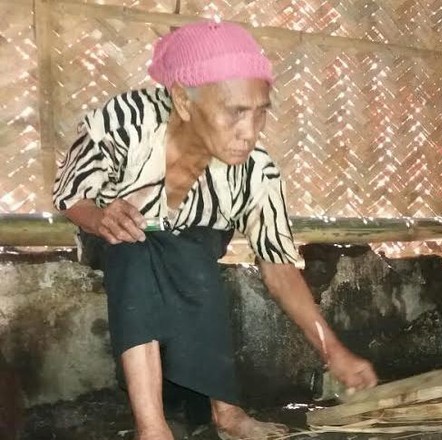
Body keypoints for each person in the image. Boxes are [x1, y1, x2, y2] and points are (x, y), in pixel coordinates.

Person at [52, 20, 377, 440]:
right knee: (136, 249)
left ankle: (227, 413)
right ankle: (153, 427)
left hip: (193, 246)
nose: (250, 131)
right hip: (112, 233)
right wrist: (101, 218)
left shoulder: (257, 171)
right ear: (183, 101)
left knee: (188, 253)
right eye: (235, 112)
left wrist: (335, 354)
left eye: (261, 112)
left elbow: (278, 267)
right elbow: (71, 194)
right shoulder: (125, 122)